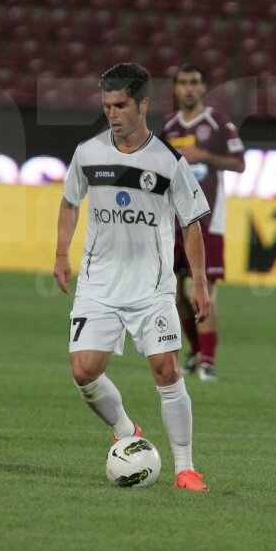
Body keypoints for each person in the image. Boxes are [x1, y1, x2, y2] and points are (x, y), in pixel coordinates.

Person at [53, 62, 213, 491]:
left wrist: (198, 282)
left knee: (166, 369)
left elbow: (192, 221)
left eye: (120, 104)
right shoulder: (88, 153)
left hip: (151, 287)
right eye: (106, 105)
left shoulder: (168, 161)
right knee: (84, 371)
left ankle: (185, 468)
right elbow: (70, 202)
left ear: (143, 105)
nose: (112, 113)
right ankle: (127, 431)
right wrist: (60, 254)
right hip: (98, 284)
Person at [161, 64, 246, 381]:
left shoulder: (219, 123)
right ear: (175, 88)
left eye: (194, 83)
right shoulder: (169, 125)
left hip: (209, 219)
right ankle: (196, 350)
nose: (188, 89)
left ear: (203, 87)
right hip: (175, 220)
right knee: (180, 292)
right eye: (182, 83)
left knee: (203, 287)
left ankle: (208, 360)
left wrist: (205, 156)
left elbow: (239, 164)